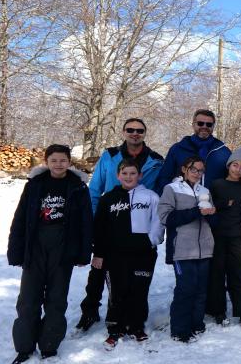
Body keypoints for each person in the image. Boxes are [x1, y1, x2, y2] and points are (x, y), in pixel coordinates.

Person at [8, 145, 93, 364]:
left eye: (63, 160)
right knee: (28, 299)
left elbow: (86, 222)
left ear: (69, 162)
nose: (58, 164)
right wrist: (16, 250)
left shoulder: (78, 188)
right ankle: (25, 347)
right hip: (35, 248)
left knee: (56, 300)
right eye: (54, 160)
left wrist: (84, 253)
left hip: (63, 250)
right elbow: (20, 219)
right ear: (46, 161)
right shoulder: (34, 185)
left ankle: (49, 345)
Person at [76, 118, 164, 331]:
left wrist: (152, 232)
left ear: (145, 133)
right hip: (110, 216)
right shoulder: (110, 155)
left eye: (139, 130)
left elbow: (158, 195)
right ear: (124, 132)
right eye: (130, 130)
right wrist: (95, 219)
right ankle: (90, 310)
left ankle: (128, 315)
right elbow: (95, 188)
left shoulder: (155, 160)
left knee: (128, 275)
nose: (135, 133)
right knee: (98, 268)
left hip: (137, 225)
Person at [92, 159, 164, 349]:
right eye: (124, 173)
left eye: (133, 173)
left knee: (139, 290)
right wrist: (98, 253)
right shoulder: (108, 198)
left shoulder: (151, 196)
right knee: (117, 291)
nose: (128, 177)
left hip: (143, 254)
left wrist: (150, 241)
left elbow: (158, 222)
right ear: (118, 176)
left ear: (140, 176)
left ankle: (136, 326)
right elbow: (100, 227)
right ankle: (115, 328)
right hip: (115, 254)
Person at [157, 156, 216, 342]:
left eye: (200, 170)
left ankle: (197, 324)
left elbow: (210, 220)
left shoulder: (204, 190)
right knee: (186, 288)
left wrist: (212, 214)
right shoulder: (171, 189)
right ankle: (180, 329)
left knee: (200, 289)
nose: (197, 174)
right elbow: (165, 217)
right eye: (194, 169)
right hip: (182, 249)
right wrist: (196, 212)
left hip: (204, 247)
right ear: (184, 169)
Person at [207, 148, 241, 326]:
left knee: (240, 275)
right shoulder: (217, 184)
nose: (238, 170)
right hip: (218, 236)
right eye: (235, 165)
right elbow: (208, 206)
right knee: (217, 275)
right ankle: (218, 311)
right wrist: (223, 204)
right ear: (228, 166)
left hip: (237, 236)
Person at [155, 109, 231, 192]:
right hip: (182, 201)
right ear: (193, 125)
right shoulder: (178, 149)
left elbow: (231, 179)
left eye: (209, 124)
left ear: (213, 127)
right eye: (200, 123)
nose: (204, 127)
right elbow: (165, 177)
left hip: (212, 201)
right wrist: (169, 198)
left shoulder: (223, 152)